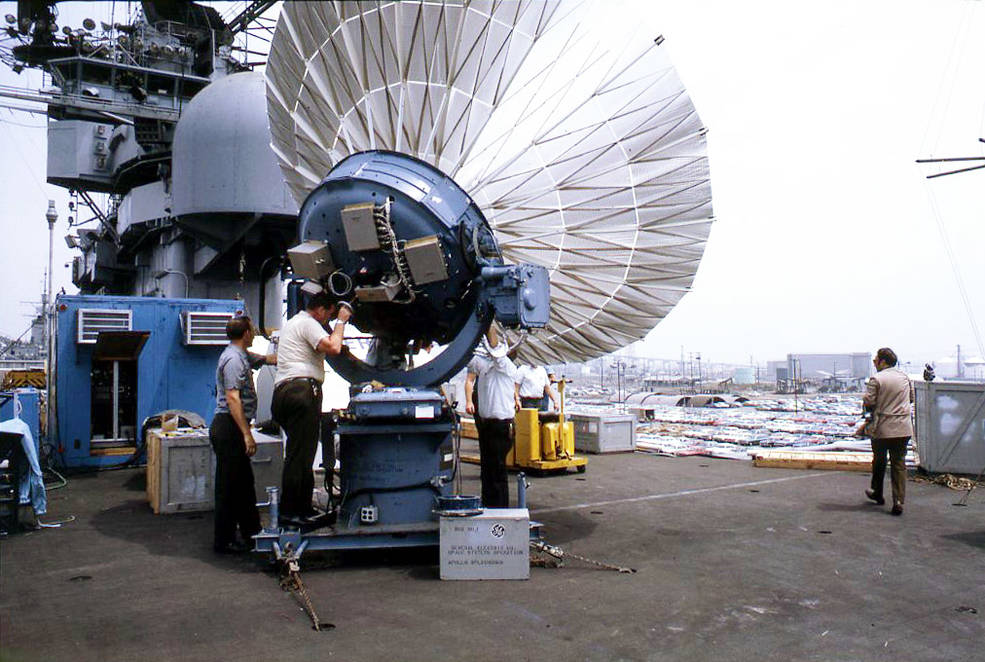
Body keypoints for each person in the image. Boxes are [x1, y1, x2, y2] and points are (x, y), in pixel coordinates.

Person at [271, 291, 351, 527]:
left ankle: (302, 508)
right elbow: (333, 347)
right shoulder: (309, 323)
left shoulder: (294, 323)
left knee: (301, 454)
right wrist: (342, 321)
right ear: (321, 310)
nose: (328, 320)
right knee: (299, 456)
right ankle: (290, 512)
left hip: (287, 393)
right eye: (329, 315)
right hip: (301, 392)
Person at [210, 316, 276, 553]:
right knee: (229, 486)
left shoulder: (241, 355)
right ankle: (224, 541)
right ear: (246, 333)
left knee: (243, 484)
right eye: (253, 330)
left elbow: (267, 359)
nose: (255, 333)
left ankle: (250, 533)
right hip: (229, 426)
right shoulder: (233, 360)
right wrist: (247, 434)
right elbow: (232, 398)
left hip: (233, 426)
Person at [465, 325, 518, 508]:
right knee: (488, 471)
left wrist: (487, 325)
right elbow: (471, 360)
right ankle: (489, 506)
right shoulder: (486, 369)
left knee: (496, 471)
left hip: (500, 426)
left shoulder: (507, 368)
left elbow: (495, 348)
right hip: (487, 425)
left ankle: (499, 509)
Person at [857, 347, 913, 516]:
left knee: (879, 460)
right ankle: (898, 501)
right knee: (899, 464)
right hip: (903, 427)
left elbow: (870, 402)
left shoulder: (876, 379)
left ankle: (877, 492)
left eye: (876, 359)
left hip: (883, 427)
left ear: (883, 362)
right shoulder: (904, 377)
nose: (874, 362)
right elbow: (910, 398)